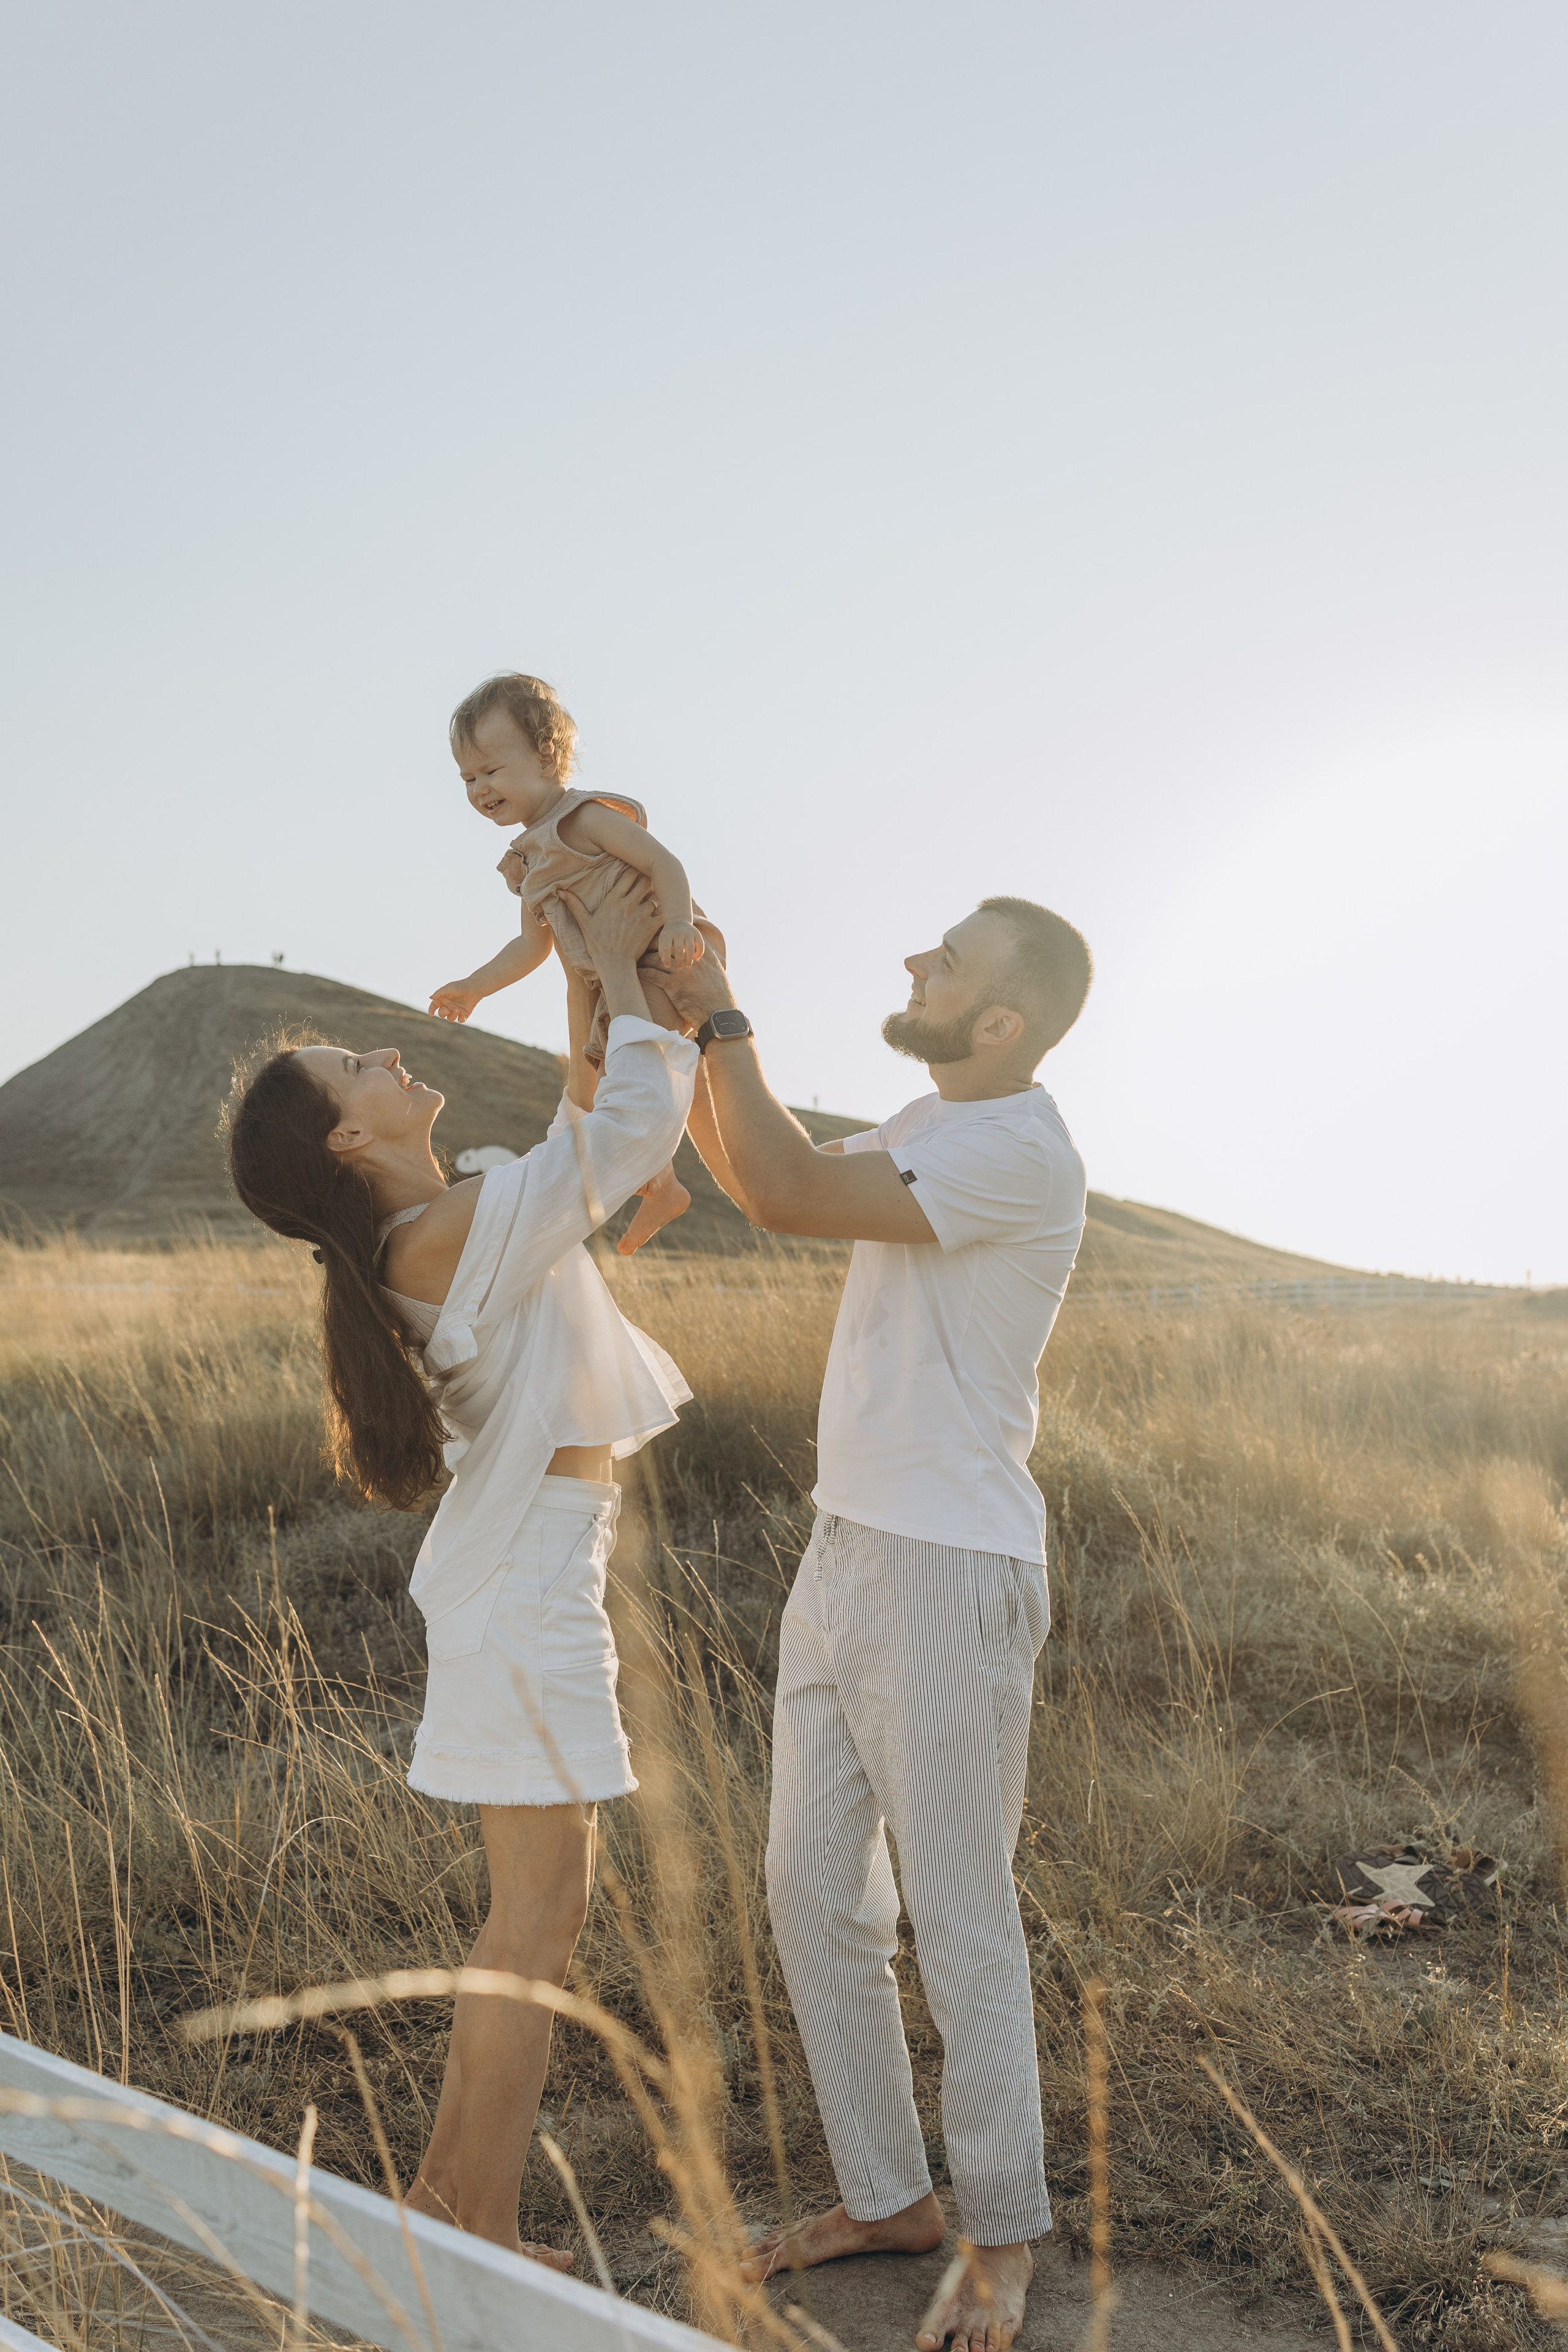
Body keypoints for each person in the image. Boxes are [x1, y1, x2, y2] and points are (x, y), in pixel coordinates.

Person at [225, 870, 698, 2266]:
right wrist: (622, 968)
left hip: (526, 1582)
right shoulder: (437, 1236)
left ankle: (453, 2210)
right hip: (523, 1594)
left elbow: (574, 1130)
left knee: (535, 1909)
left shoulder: (457, 1216)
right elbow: (625, 1136)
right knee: (535, 1913)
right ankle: (461, 2221)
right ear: (354, 1135)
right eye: (354, 1065)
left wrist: (585, 975)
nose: (385, 1051)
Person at [660, 896, 1092, 2352]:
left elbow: (779, 1190)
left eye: (947, 958)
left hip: (947, 1567)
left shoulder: (1016, 1149)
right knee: (805, 1890)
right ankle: (887, 2194)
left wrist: (720, 1007)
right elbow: (748, 1168)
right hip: (845, 1547)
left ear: (1001, 1023)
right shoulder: (931, 1112)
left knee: (960, 1907)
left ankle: (999, 2229)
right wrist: (664, 1005)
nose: (914, 957)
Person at [428, 671, 723, 1254]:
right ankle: (660, 1182)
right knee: (618, 1082)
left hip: (664, 954)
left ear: (545, 757)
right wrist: (475, 986)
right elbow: (531, 947)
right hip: (613, 980)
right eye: (467, 778)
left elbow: (665, 862)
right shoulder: (526, 862)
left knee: (640, 1074)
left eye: (491, 770)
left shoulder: (583, 819)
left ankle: (660, 1173)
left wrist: (682, 921)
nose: (479, 788)